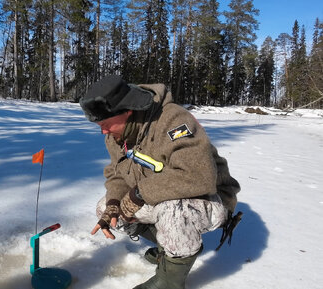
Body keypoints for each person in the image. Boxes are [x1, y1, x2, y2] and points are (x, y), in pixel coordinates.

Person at [79, 75, 241, 289]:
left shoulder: (173, 121)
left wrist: (138, 194)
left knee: (174, 211)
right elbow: (116, 173)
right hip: (162, 193)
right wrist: (114, 203)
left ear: (128, 111)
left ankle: (170, 281)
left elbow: (199, 177)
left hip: (211, 196)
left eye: (106, 124)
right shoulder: (116, 136)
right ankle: (168, 248)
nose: (103, 131)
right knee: (106, 209)